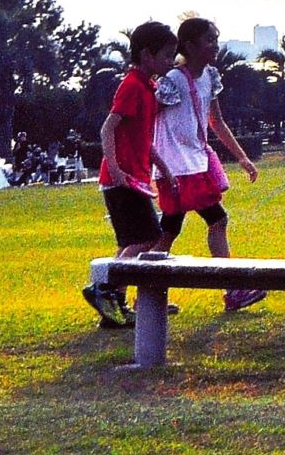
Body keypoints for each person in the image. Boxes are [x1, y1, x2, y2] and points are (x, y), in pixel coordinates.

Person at [152, 17, 266, 312]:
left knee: (178, 228)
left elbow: (216, 121)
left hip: (196, 164)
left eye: (215, 39)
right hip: (177, 167)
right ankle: (230, 290)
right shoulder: (173, 80)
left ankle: (147, 294)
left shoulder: (209, 76)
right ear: (190, 46)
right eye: (209, 40)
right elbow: (148, 118)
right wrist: (152, 159)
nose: (215, 46)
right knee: (193, 224)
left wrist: (241, 156)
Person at [81, 21, 178, 328]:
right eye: (166, 55)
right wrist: (116, 168)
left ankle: (114, 308)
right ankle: (105, 290)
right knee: (148, 237)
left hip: (133, 178)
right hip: (122, 181)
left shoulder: (148, 88)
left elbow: (142, 139)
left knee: (132, 242)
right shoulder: (133, 85)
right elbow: (108, 127)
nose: (171, 61)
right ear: (147, 54)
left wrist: (164, 168)